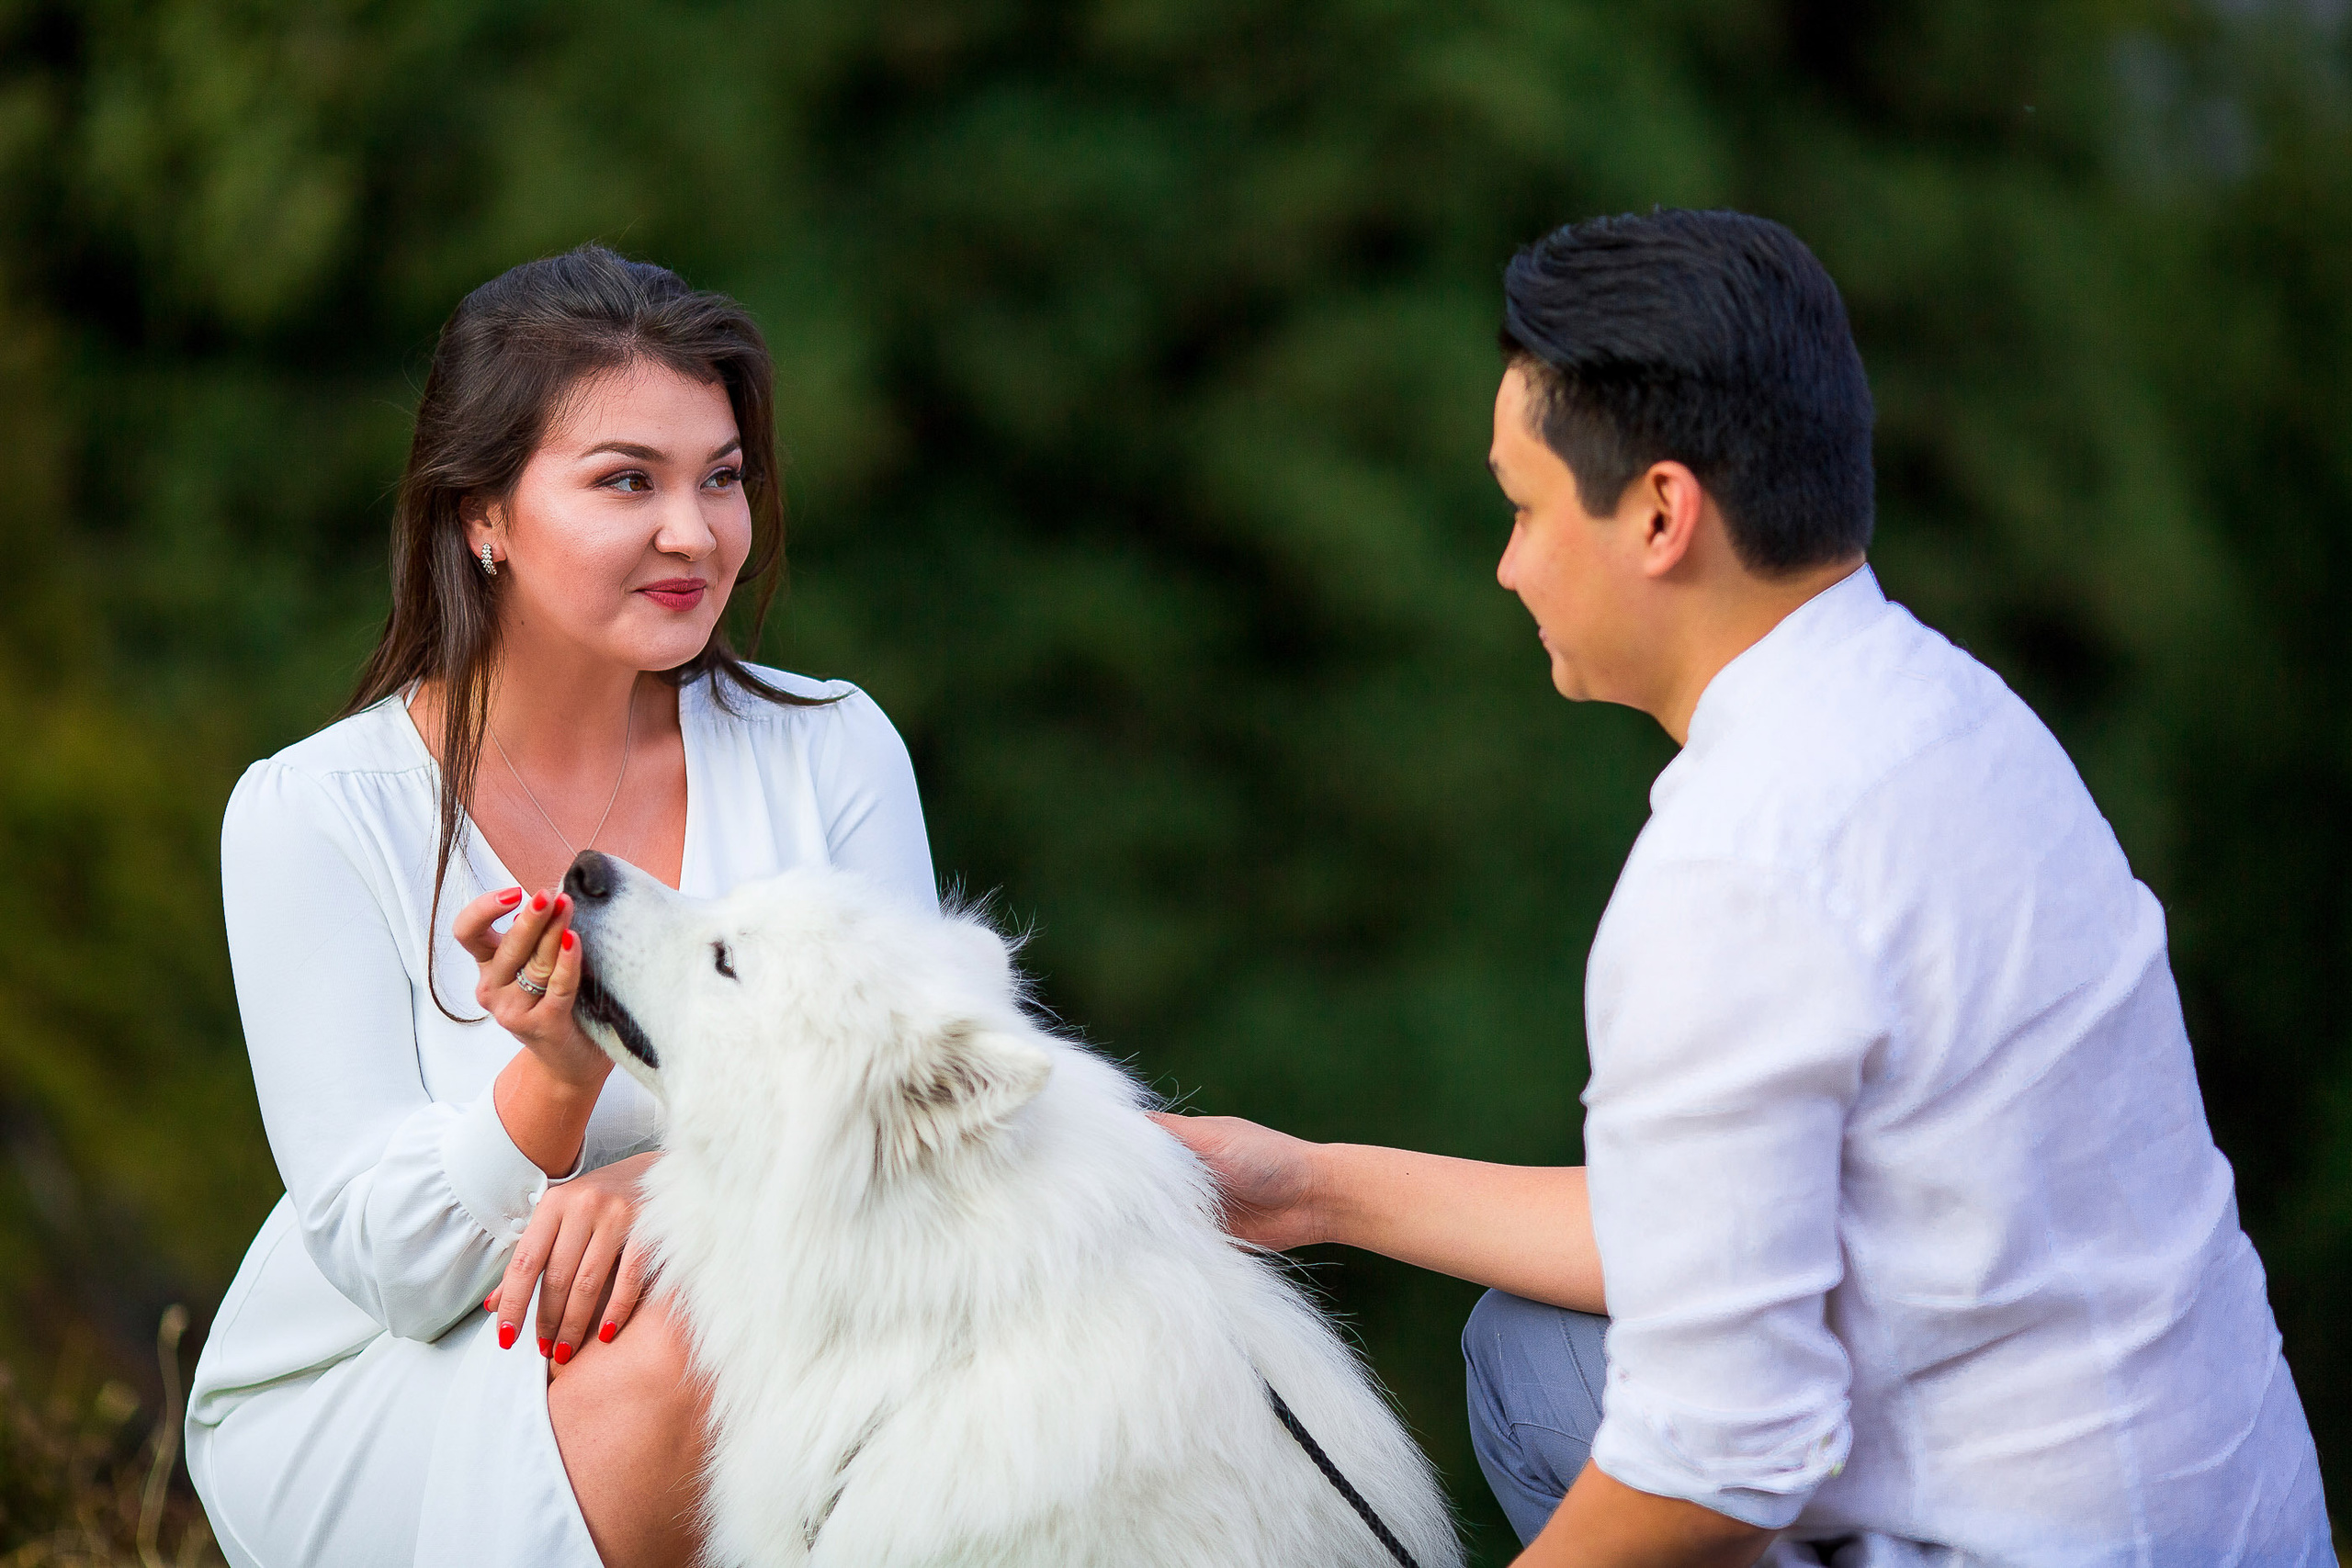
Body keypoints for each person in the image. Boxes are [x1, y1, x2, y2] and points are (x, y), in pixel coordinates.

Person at [1159, 209, 2334, 1566]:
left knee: (1609, 1425)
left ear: (1661, 513)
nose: (1509, 563)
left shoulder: (1737, 873)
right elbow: (1709, 1241)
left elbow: (1716, 1463)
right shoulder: (1954, 717)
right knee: (1534, 1351)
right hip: (2231, 1520)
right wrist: (1306, 1189)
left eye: (1526, 509)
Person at [185, 246, 935, 1568]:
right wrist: (552, 1081)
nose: (694, 533)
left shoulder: (832, 746)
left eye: (723, 478)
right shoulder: (311, 815)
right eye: (625, 482)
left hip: (769, 1313)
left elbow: (921, 1126)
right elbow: (393, 1270)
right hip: (394, 1377)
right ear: (480, 513)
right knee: (712, 1340)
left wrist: (666, 1188)